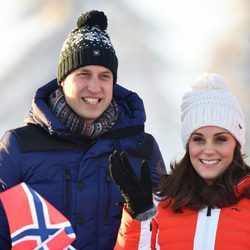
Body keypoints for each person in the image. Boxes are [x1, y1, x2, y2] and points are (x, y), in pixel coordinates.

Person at [0, 10, 165, 249]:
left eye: (104, 76)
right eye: (83, 75)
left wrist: (144, 212)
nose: (95, 87)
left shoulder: (142, 149)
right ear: (62, 80)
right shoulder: (19, 147)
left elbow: (167, 234)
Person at [109, 73, 250, 249]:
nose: (208, 150)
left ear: (236, 143)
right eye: (198, 139)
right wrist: (139, 216)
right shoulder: (161, 203)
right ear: (188, 144)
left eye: (220, 139)